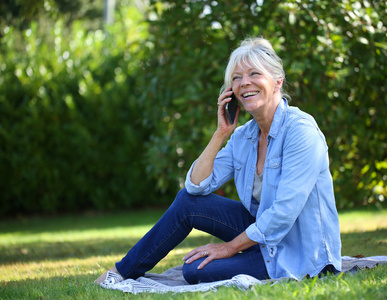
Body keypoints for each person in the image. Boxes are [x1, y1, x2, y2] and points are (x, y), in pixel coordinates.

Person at [94, 37, 341, 286]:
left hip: (298, 253)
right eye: (236, 78)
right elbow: (195, 187)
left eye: (254, 73)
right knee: (187, 202)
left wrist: (229, 248)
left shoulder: (301, 132)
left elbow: (284, 213)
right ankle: (123, 271)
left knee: (193, 270)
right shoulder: (243, 136)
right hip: (262, 237)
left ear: (277, 81)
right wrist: (221, 133)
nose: (244, 83)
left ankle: (245, 257)